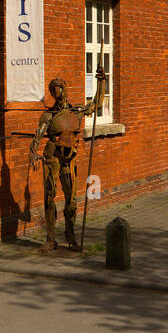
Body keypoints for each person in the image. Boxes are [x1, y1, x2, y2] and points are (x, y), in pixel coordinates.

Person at [29, 74, 105, 250]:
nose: (58, 92)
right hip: (53, 157)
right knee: (49, 196)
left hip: (69, 159)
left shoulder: (76, 111)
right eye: (54, 89)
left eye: (60, 87)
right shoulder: (48, 116)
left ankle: (71, 237)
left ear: (65, 89)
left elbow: (96, 105)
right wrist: (33, 154)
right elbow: (37, 136)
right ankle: (50, 239)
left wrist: (101, 81)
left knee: (71, 199)